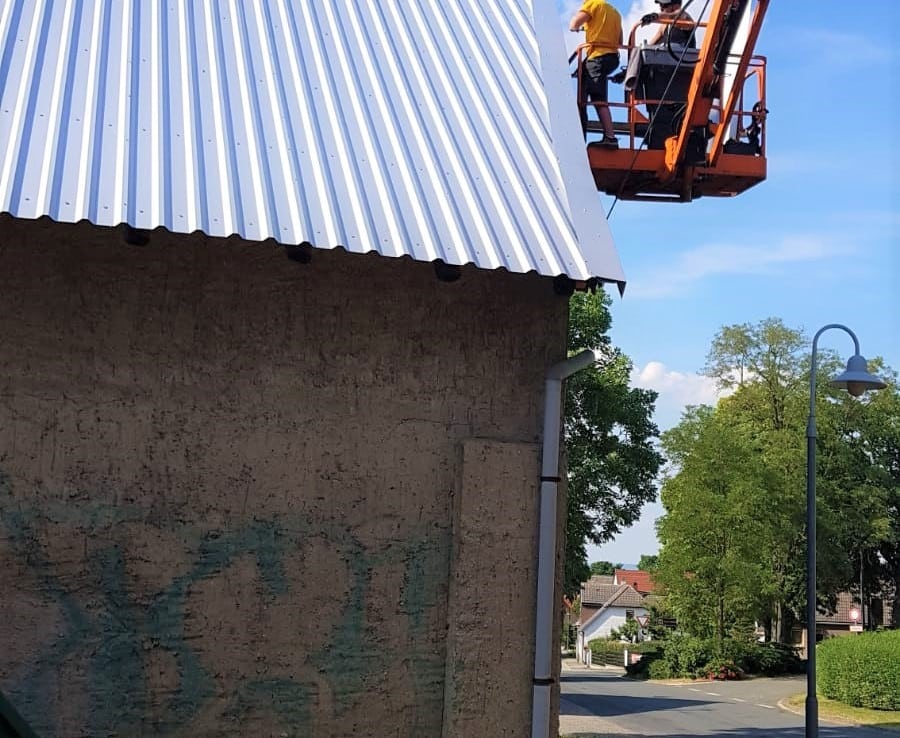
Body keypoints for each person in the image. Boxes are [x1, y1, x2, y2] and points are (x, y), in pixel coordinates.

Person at [569, 0, 623, 147]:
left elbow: (574, 24)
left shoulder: (593, 4)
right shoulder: (615, 12)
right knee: (587, 93)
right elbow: (620, 40)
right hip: (612, 57)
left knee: (597, 97)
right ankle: (588, 134)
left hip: (597, 57)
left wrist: (576, 28)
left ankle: (610, 137)